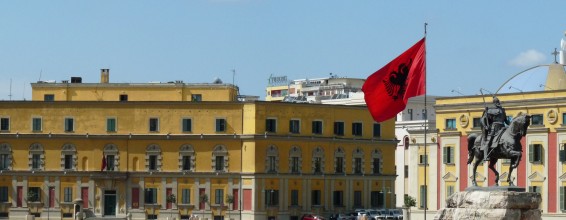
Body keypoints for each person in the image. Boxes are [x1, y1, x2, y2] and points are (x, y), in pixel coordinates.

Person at [482, 97, 510, 161]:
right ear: (494, 103)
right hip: (494, 128)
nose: (498, 103)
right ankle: (485, 155)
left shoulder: (503, 110)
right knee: (489, 139)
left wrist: (511, 125)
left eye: (498, 101)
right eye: (496, 102)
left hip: (503, 127)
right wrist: (486, 111)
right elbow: (485, 119)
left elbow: (506, 121)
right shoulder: (491, 110)